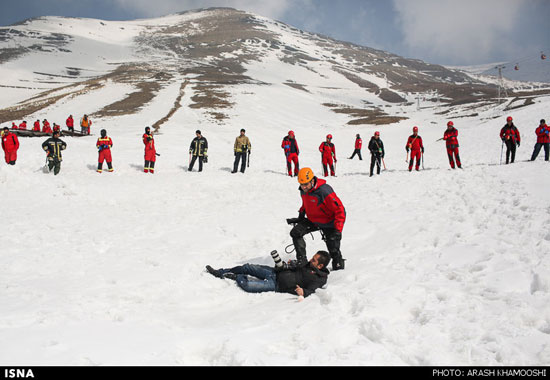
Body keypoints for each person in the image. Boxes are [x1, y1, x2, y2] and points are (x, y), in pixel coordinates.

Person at [286, 167, 346, 270]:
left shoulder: (324, 191)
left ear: (312, 180)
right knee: (295, 233)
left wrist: (338, 230)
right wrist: (301, 215)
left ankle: (338, 267)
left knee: (333, 249)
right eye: (301, 184)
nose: (304, 187)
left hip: (328, 222)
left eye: (306, 184)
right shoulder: (304, 190)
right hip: (313, 220)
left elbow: (340, 210)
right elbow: (306, 203)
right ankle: (302, 261)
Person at [205, 250, 330, 299]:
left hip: (277, 285)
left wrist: (304, 292)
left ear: (320, 266)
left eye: (314, 260)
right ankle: (220, 272)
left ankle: (235, 277)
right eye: (312, 258)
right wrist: (287, 264)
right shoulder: (306, 263)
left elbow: (311, 290)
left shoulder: (319, 278)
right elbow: (294, 265)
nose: (310, 260)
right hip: (275, 272)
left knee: (248, 285)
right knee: (248, 267)